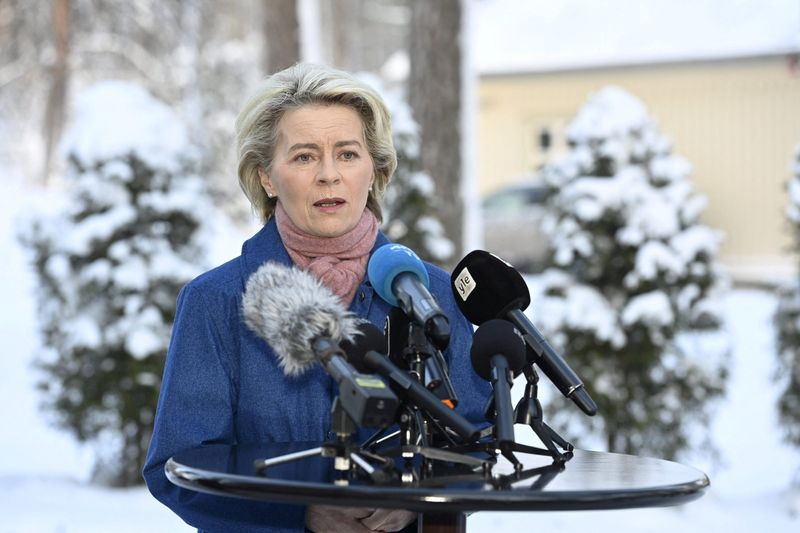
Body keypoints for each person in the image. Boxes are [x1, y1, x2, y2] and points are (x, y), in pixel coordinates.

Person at [143, 62, 491, 533]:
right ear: (267, 177)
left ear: (375, 168)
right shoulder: (215, 302)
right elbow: (177, 468)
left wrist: (418, 499)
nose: (329, 175)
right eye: (304, 157)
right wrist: (300, 514)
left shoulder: (431, 294)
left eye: (347, 154)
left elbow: (480, 443)